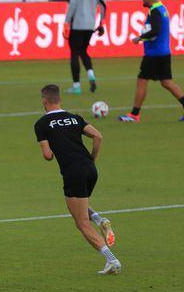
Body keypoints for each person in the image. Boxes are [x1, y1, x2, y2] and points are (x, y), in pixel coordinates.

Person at [34, 84, 121, 274]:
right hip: (90, 169)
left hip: (73, 172)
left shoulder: (41, 124)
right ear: (60, 100)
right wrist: (91, 160)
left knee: (81, 222)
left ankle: (112, 260)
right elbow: (98, 136)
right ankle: (99, 219)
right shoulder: (74, 118)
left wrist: (49, 152)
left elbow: (48, 155)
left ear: (44, 101)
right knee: (74, 207)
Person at [119, 0, 184, 122]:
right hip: (163, 52)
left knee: (142, 81)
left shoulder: (155, 11)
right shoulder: (162, 9)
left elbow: (155, 30)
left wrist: (140, 37)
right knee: (167, 82)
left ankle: (134, 114)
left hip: (154, 54)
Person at [63, 0, 107, 94]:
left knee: (74, 54)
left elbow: (73, 5)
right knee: (84, 51)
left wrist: (66, 22)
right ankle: (91, 76)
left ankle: (76, 86)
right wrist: (102, 22)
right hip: (90, 25)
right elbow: (103, 4)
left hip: (77, 24)